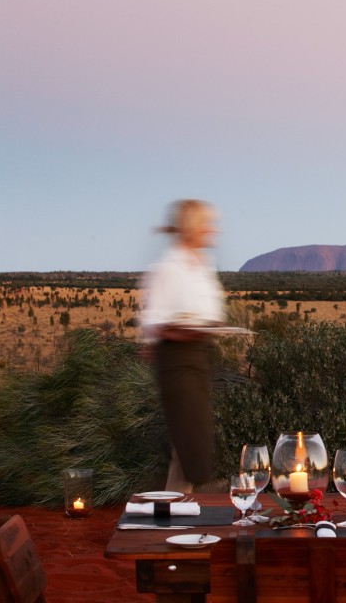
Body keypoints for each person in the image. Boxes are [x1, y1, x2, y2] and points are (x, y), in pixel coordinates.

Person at [139, 199, 225, 493]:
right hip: (176, 358)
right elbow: (152, 321)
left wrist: (206, 326)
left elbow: (211, 313)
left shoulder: (203, 265)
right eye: (207, 224)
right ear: (193, 227)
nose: (213, 230)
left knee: (189, 441)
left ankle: (177, 512)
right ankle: (177, 513)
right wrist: (182, 331)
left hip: (201, 355)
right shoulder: (167, 268)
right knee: (190, 438)